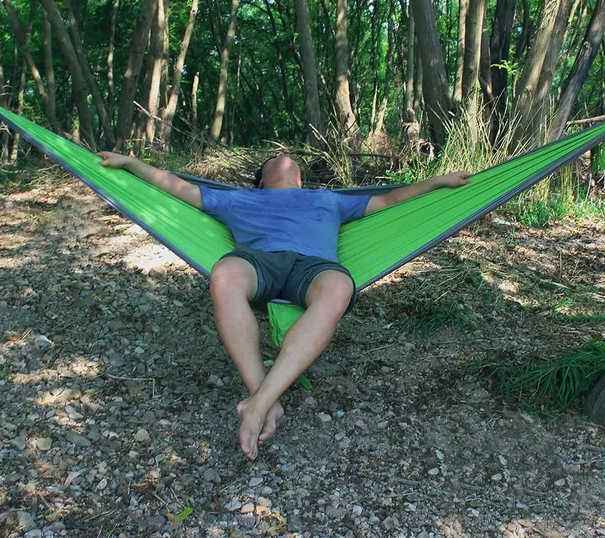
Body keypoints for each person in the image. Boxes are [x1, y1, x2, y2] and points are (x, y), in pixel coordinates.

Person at [97, 151, 471, 459]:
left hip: (313, 267)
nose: (282, 156)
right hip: (258, 262)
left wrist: (437, 181)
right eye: (273, 159)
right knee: (223, 275)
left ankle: (259, 403)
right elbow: (176, 186)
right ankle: (263, 396)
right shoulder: (236, 198)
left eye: (288, 159)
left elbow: (391, 199)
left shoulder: (329, 199)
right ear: (260, 181)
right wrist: (131, 163)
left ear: (301, 181)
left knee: (340, 284)